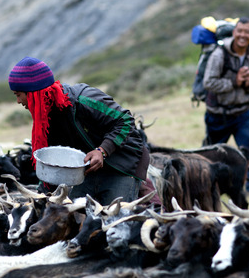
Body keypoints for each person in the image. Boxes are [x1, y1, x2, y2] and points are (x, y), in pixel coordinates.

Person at [8, 56, 159, 206]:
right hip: (89, 170)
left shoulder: (83, 99)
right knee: (72, 216)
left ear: (33, 92)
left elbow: (125, 120)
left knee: (113, 218)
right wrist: (43, 194)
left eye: (18, 95)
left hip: (122, 163)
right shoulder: (45, 118)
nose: (18, 102)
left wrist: (102, 150)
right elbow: (51, 157)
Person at [202, 17, 249, 197]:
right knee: (211, 154)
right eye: (240, 31)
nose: (242, 35)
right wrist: (234, 81)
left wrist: (247, 83)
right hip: (218, 115)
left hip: (243, 113)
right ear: (234, 32)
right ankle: (207, 185)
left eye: (247, 32)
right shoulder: (219, 54)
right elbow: (209, 83)